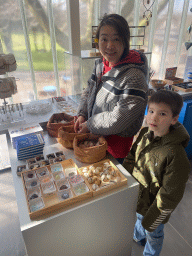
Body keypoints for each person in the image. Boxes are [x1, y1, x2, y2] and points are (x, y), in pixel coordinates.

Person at [123, 90, 191, 255]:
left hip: (155, 208)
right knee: (139, 221)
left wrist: (153, 219)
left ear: (174, 119)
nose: (153, 117)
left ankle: (150, 253)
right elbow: (132, 157)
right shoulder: (145, 134)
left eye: (162, 113)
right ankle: (138, 236)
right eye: (151, 111)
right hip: (139, 197)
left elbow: (170, 195)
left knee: (153, 234)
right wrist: (124, 180)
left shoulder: (175, 155)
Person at [74, 14, 148, 164]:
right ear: (98, 41)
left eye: (116, 39)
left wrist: (89, 124)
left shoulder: (134, 76)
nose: (109, 45)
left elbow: (119, 118)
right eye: (104, 39)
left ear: (125, 41)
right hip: (95, 137)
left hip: (115, 148)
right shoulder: (102, 64)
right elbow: (89, 90)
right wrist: (82, 114)